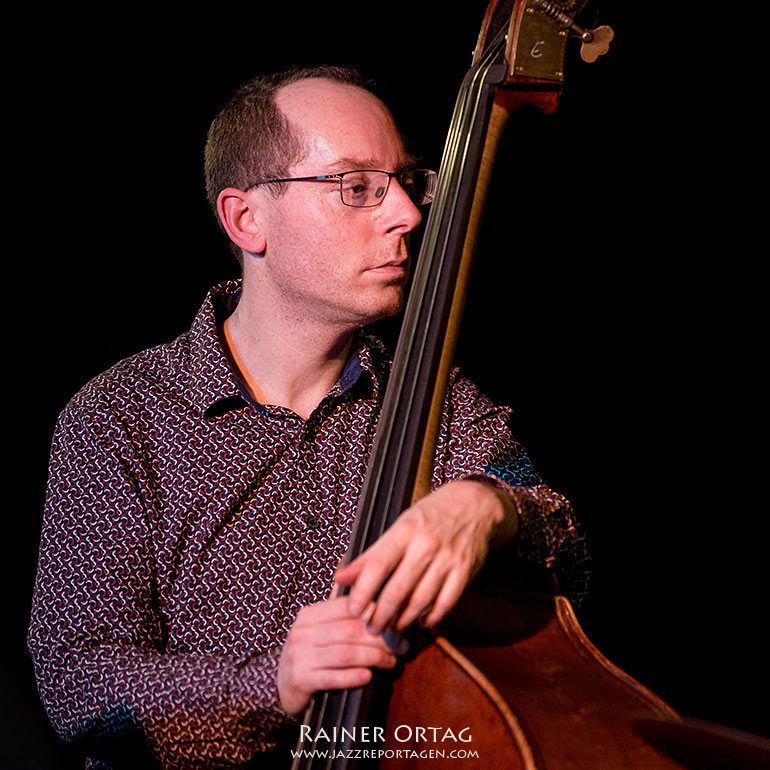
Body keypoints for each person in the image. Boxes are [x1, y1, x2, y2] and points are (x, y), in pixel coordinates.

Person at [28, 65, 589, 769]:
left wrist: (488, 508)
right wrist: (277, 683)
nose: (409, 216)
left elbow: (565, 545)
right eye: (357, 188)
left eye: (406, 182)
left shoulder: (439, 405)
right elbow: (79, 680)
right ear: (246, 219)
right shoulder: (120, 417)